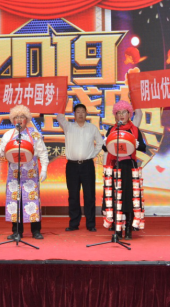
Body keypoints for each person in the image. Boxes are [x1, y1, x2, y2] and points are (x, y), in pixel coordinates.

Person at [0, 105, 49, 240]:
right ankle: (17, 231)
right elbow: (0, 151)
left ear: (27, 119)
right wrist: (1, 151)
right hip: (14, 173)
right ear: (12, 120)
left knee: (32, 200)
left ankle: (36, 230)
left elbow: (43, 152)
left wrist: (44, 169)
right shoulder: (8, 134)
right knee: (15, 201)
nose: (19, 120)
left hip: (30, 172)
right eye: (16, 117)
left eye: (22, 117)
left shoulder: (34, 134)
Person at [102, 100, 147, 240]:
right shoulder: (112, 129)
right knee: (116, 198)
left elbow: (143, 147)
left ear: (129, 114)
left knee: (128, 198)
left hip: (128, 167)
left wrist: (136, 144)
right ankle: (117, 230)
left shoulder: (134, 130)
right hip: (115, 166)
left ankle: (128, 228)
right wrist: (105, 142)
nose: (121, 115)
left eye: (124, 112)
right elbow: (105, 148)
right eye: (118, 113)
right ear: (115, 115)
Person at [56, 104, 103, 232]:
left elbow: (100, 143)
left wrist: (92, 154)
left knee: (89, 195)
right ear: (74, 114)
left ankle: (90, 224)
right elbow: (59, 117)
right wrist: (64, 102)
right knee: (73, 195)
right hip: (72, 166)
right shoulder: (68, 127)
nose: (81, 114)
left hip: (87, 165)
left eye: (83, 111)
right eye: (78, 112)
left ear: (86, 113)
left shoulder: (92, 128)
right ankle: (74, 223)